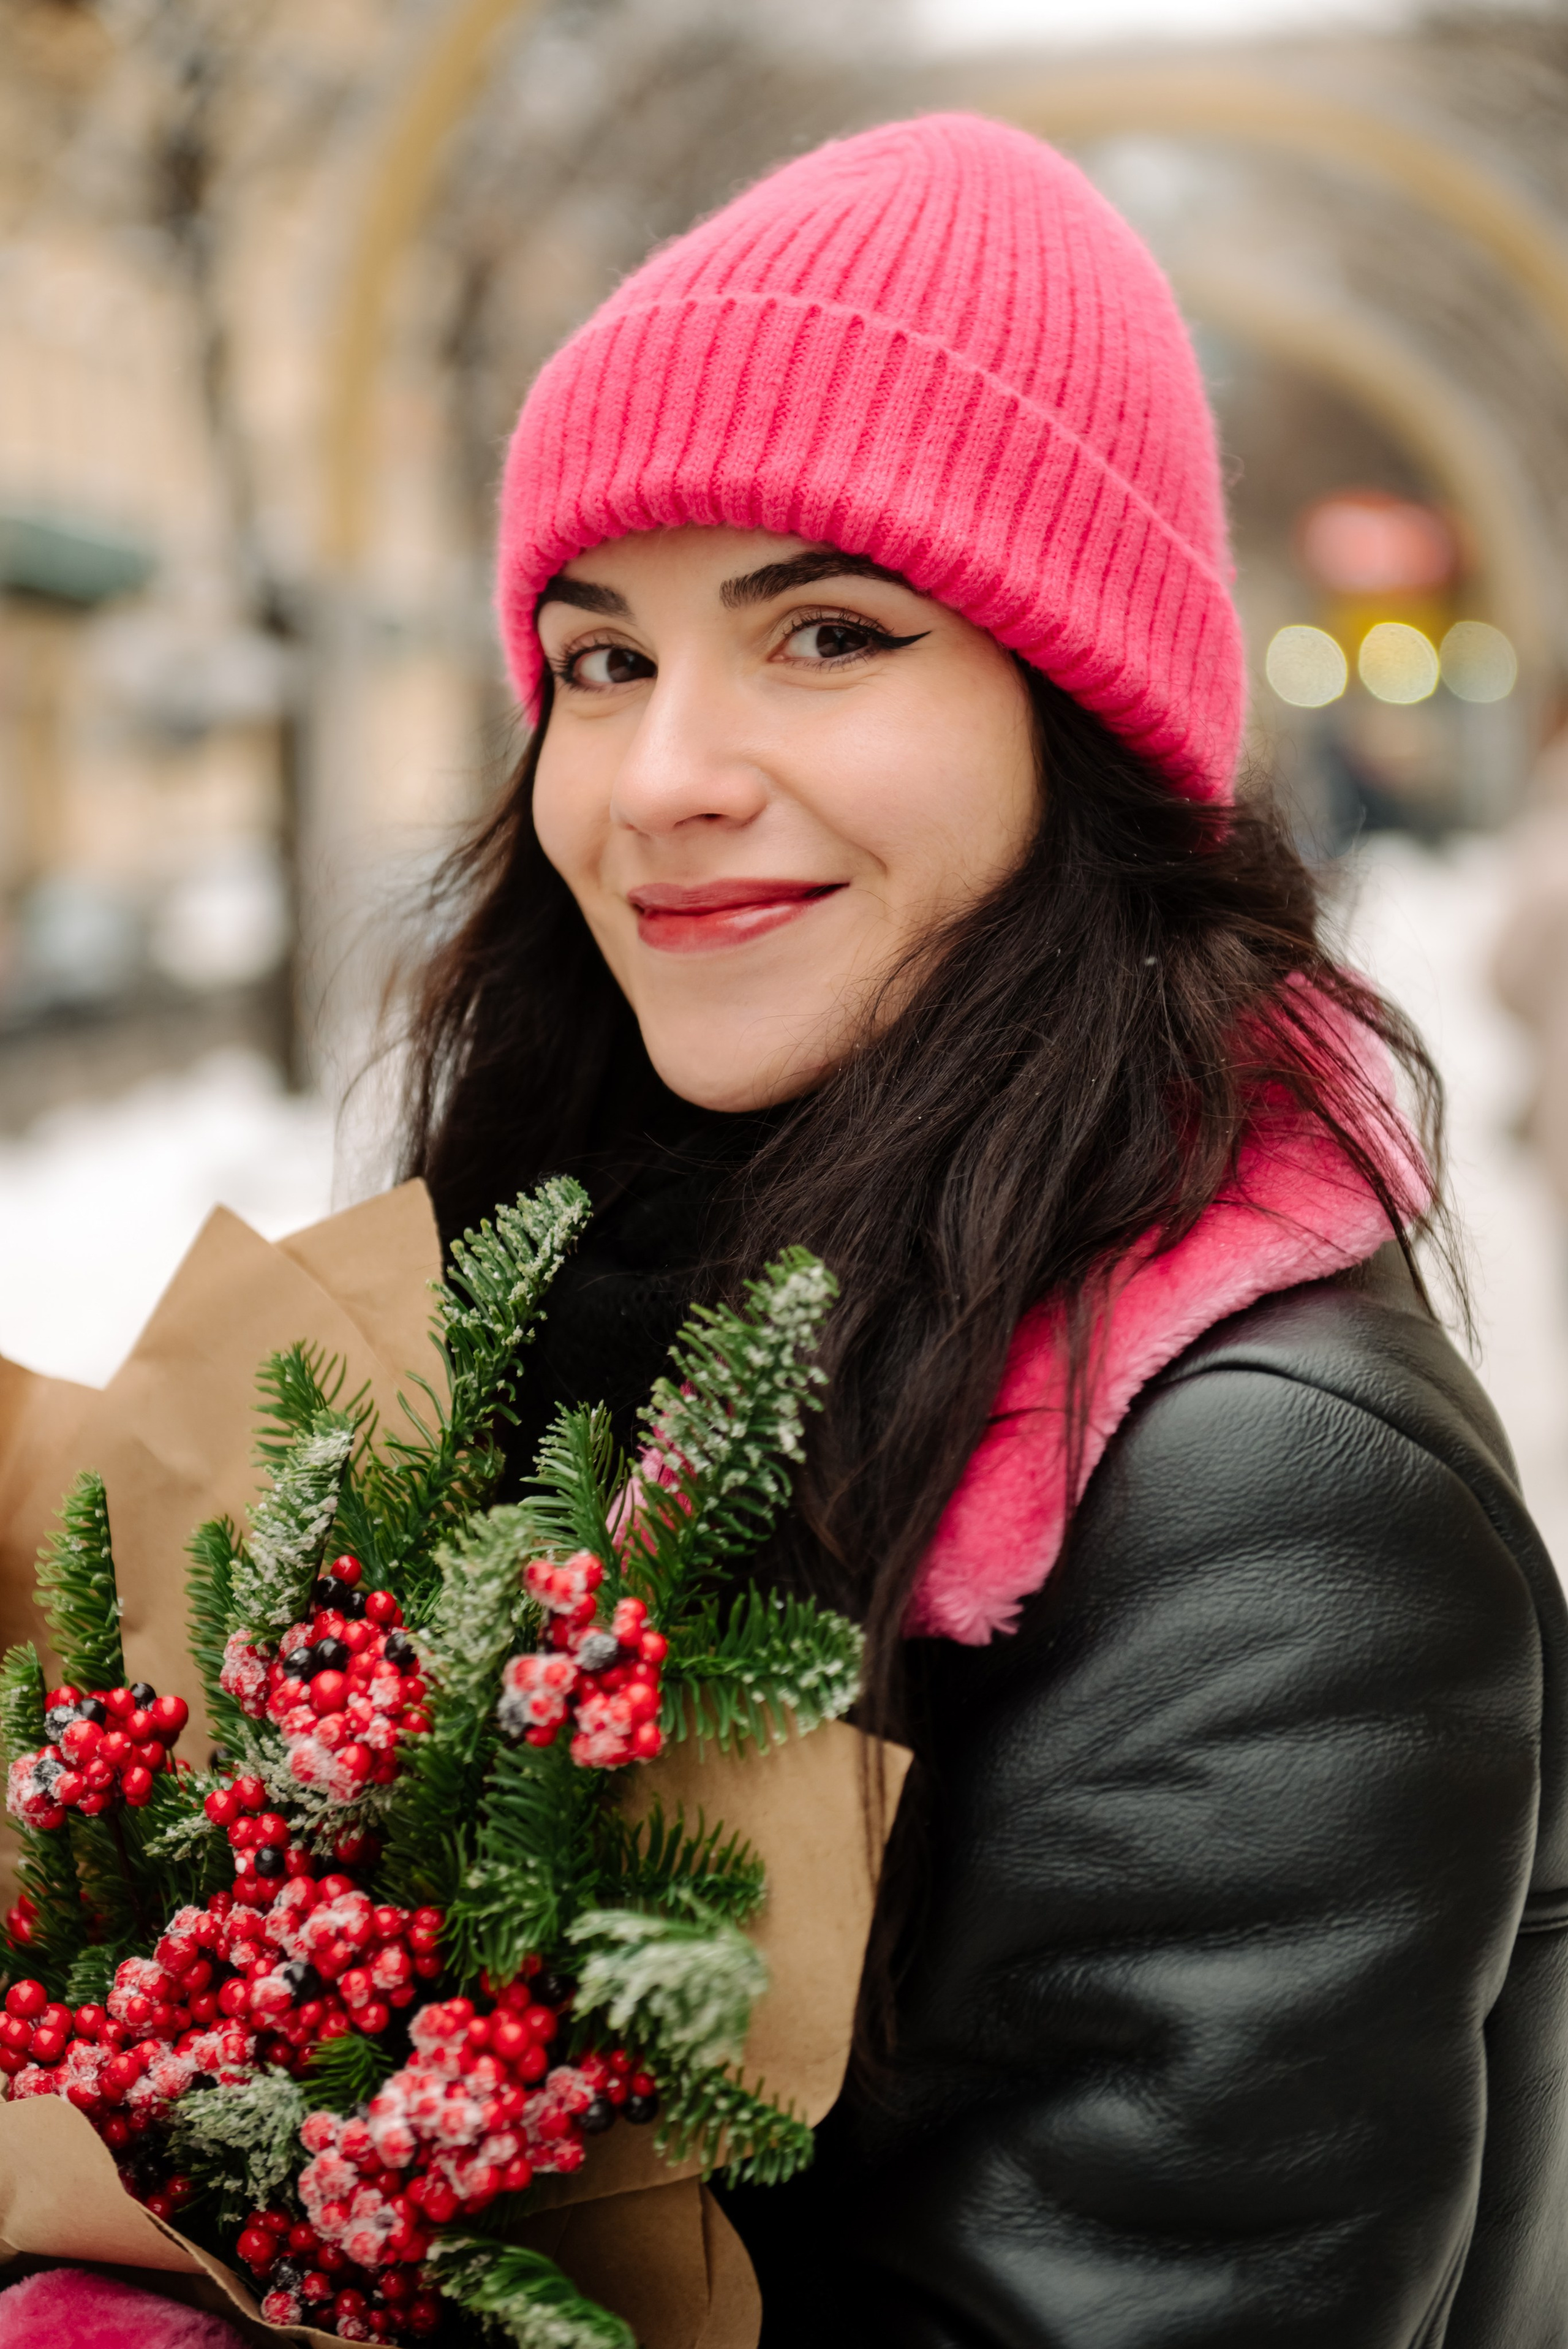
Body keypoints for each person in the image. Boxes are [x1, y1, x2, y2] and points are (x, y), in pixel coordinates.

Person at [401, 115, 1568, 2348]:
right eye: (604, 657)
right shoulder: (583, 1279)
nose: (660, 776)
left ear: (1079, 720)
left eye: (827, 633)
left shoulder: (1261, 1498)